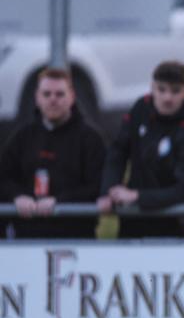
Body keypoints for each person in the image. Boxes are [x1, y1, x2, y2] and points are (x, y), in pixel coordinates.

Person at [97, 61, 184, 238]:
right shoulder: (140, 108)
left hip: (170, 226)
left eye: (175, 91)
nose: (167, 98)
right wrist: (109, 189)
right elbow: (118, 151)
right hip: (132, 222)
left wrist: (137, 196)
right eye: (161, 90)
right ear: (152, 88)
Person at [0, 67, 106, 238]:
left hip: (76, 240)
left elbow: (99, 186)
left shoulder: (90, 139)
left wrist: (60, 201)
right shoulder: (22, 137)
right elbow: (4, 178)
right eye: (47, 94)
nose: (53, 100)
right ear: (37, 97)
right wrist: (17, 196)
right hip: (25, 241)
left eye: (59, 94)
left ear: (72, 96)